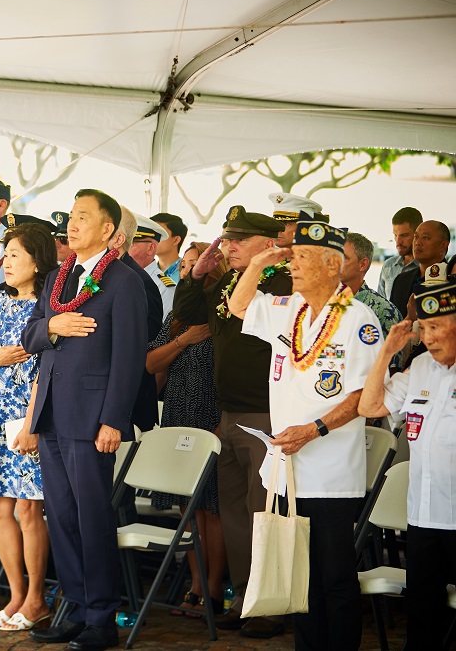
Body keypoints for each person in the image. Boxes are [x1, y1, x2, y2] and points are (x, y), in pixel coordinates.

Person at [228, 219, 381, 651]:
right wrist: (258, 262)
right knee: (301, 577)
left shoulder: (358, 319)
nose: (293, 265)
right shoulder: (288, 307)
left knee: (334, 577)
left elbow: (363, 394)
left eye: (304, 258)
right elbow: (240, 307)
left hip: (330, 471)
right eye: (293, 257)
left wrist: (314, 429)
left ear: (333, 265)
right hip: (286, 468)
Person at [23, 189, 148, 651]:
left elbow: (131, 356)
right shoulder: (59, 276)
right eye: (71, 217)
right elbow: (30, 332)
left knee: (92, 517)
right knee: (61, 516)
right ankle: (74, 607)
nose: (72, 225)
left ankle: (101, 616)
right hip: (53, 411)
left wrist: (113, 418)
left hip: (93, 417)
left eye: (82, 217)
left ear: (108, 229)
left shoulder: (122, 280)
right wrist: (53, 326)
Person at [172, 205, 291, 639]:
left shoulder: (283, 282)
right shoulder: (226, 282)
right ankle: (245, 599)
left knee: (263, 515)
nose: (229, 245)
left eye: (239, 239)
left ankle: (271, 606)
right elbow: (187, 312)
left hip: (268, 415)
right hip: (230, 415)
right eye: (227, 238)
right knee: (238, 516)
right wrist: (196, 274)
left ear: (267, 243)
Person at [0, 222, 58, 632]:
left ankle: (37, 598)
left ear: (37, 261)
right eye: (5, 254)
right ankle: (16, 595)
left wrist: (34, 422)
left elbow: (47, 369)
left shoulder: (48, 307)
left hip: (27, 415)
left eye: (15, 254)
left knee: (27, 507)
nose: (6, 260)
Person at [358, 282, 456, 650]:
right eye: (424, 327)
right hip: (424, 516)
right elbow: (369, 408)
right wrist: (385, 353)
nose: (427, 337)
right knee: (422, 617)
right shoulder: (420, 367)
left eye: (437, 327)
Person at [145, 241, 227, 619]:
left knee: (212, 507)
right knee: (187, 508)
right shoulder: (178, 318)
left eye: (198, 266)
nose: (189, 273)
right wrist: (183, 340)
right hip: (178, 410)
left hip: (214, 415)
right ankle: (194, 582)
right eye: (187, 267)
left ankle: (213, 586)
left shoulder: (227, 315)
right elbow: (149, 363)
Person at [110, 212, 163, 437]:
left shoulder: (138, 280)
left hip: (127, 395)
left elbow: (143, 337)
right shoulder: (95, 273)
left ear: (118, 239)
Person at [341, 232, 402, 338]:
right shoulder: (322, 303)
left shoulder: (383, 311)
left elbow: (390, 354)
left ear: (363, 264)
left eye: (344, 258)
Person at [389, 219, 450, 317]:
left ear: (443, 245)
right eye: (416, 237)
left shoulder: (451, 280)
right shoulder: (401, 280)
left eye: (425, 237)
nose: (417, 242)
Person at [130, 214, 176, 315]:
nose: (124, 249)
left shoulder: (164, 288)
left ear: (151, 248)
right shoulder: (119, 277)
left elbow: (163, 329)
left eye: (131, 243)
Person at [377, 206, 423, 299]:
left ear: (418, 234)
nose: (398, 242)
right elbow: (380, 306)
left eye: (404, 235)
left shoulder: (428, 268)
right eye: (395, 235)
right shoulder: (388, 266)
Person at [150, 212, 187, 284]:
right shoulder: (149, 271)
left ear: (176, 240)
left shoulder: (186, 271)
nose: (153, 239)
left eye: (160, 234)